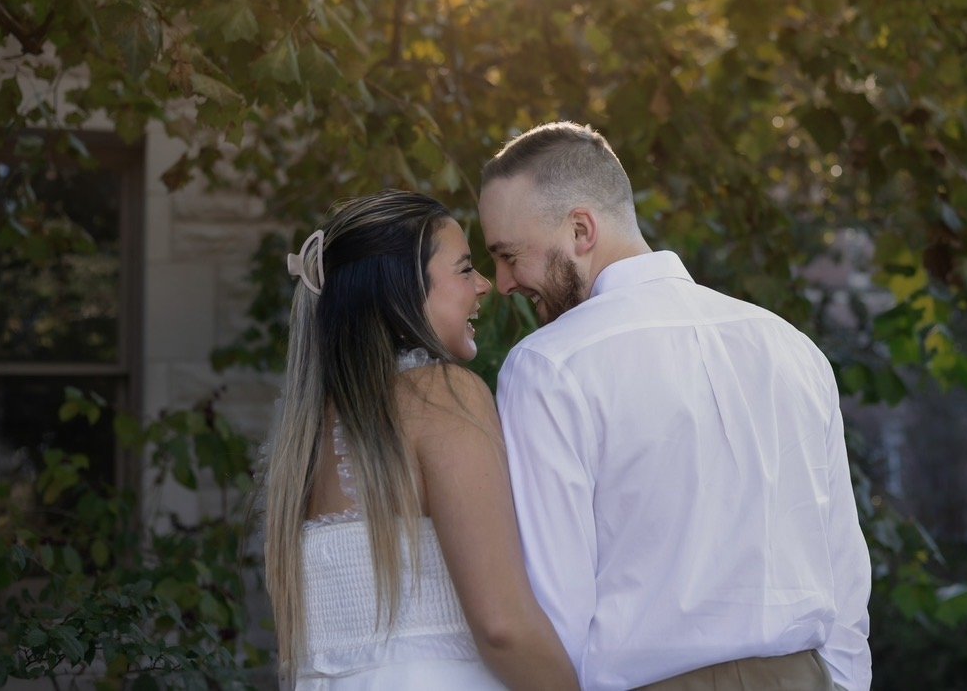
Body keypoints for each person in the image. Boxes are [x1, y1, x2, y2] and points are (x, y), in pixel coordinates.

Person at [478, 122, 872, 691]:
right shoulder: (790, 346)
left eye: (510, 255)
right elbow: (845, 580)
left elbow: (555, 608)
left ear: (581, 230)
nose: (504, 282)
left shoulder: (548, 367)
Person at [262, 190, 579, 690]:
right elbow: (502, 627)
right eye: (464, 269)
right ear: (401, 290)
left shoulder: (306, 440)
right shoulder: (441, 395)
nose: (484, 287)